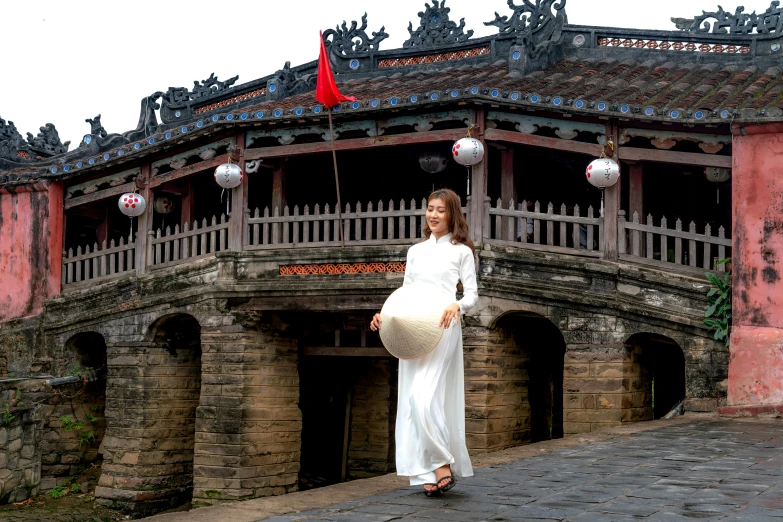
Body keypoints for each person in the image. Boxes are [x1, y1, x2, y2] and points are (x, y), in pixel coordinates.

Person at [370, 188, 478, 497]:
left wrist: (457, 305)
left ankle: (441, 463)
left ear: (452, 214)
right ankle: (428, 472)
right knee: (412, 400)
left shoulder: (462, 251)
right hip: (412, 326)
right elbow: (406, 291)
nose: (433, 215)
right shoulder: (415, 251)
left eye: (440, 210)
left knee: (426, 397)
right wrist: (384, 313)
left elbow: (471, 293)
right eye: (430, 209)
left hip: (443, 325)